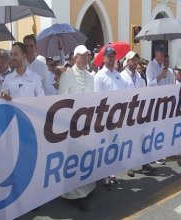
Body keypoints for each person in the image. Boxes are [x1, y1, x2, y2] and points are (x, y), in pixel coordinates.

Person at [59, 45, 96, 211]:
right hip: (71, 125)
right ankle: (72, 194)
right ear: (75, 58)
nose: (86, 58)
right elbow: (61, 101)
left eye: (87, 55)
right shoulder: (66, 76)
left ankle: (87, 191)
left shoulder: (91, 77)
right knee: (72, 159)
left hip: (86, 124)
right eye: (83, 55)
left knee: (85, 157)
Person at [120, 51, 157, 177]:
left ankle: (144, 163)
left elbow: (145, 95)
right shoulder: (121, 77)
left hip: (139, 113)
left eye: (136, 60)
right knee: (129, 141)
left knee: (142, 139)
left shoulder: (140, 78)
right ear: (127, 61)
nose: (135, 62)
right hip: (127, 114)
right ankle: (129, 165)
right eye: (132, 60)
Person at [94, 46, 126, 185]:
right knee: (105, 146)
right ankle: (104, 174)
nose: (112, 58)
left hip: (117, 118)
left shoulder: (118, 75)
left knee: (114, 146)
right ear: (104, 58)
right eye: (109, 56)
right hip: (105, 118)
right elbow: (97, 99)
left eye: (113, 56)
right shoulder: (99, 76)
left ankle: (111, 173)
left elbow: (123, 95)